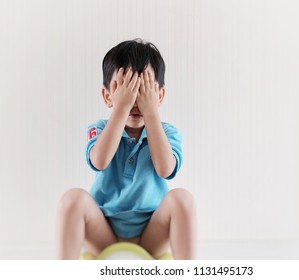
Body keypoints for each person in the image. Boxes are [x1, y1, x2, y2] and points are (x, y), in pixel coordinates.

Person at [56, 39, 197, 260]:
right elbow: (99, 161)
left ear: (159, 96)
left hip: (152, 233)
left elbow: (165, 169)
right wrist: (120, 107)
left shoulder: (168, 133)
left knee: (183, 199)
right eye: (126, 89)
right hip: (104, 232)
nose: (134, 99)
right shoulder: (100, 128)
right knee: (71, 199)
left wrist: (151, 113)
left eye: (143, 90)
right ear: (107, 96)